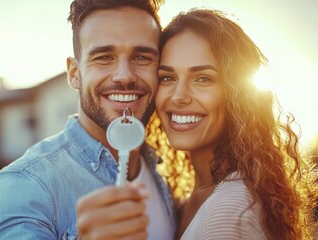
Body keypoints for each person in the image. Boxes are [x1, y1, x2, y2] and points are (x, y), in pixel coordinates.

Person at [77, 8, 318, 240]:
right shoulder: (186, 196)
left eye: (203, 78)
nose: (179, 96)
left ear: (237, 94)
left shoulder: (227, 212)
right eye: (168, 78)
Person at [0, 0, 176, 239]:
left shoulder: (165, 175)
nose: (124, 76)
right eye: (104, 57)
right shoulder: (23, 185)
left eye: (141, 57)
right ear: (74, 74)